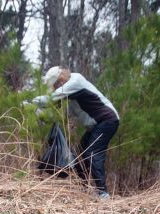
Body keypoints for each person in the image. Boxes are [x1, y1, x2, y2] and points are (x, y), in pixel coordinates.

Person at [31, 66, 119, 199]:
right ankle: (85, 189)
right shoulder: (72, 95)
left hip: (107, 121)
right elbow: (63, 113)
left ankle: (103, 194)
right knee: (80, 155)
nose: (55, 88)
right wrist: (42, 116)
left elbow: (51, 98)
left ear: (60, 80)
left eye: (55, 85)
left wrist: (31, 103)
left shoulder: (76, 81)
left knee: (92, 153)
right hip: (96, 126)